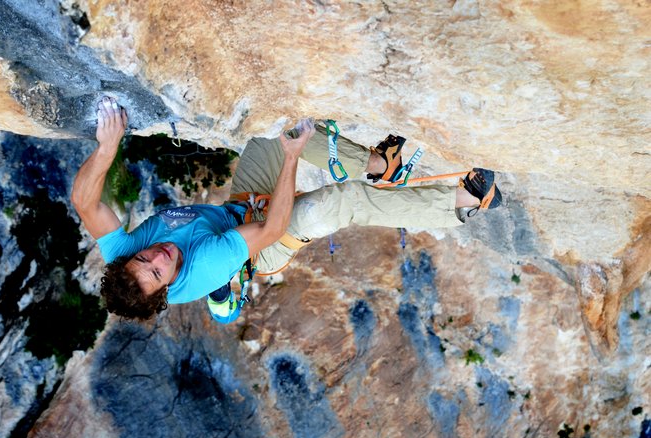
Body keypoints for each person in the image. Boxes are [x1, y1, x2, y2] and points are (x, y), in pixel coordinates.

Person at [71, 97, 502, 323]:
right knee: (338, 203)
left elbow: (83, 201)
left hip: (241, 205)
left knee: (274, 125)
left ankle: (381, 165)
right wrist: (292, 158)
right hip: (263, 244)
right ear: (165, 289)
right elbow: (274, 225)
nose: (158, 257)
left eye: (145, 258)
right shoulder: (204, 268)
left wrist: (108, 145)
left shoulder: (124, 258)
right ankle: (463, 202)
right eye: (158, 272)